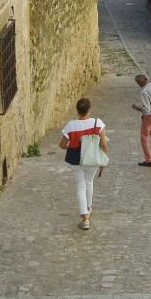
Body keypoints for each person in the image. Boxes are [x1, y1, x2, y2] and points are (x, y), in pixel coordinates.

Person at [59, 97, 108, 229]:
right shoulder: (97, 123)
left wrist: (69, 146)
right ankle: (88, 207)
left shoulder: (71, 125)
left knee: (80, 186)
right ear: (89, 110)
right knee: (89, 182)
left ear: (77, 110)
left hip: (75, 159)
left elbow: (62, 144)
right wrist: (103, 159)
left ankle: (85, 217)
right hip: (92, 159)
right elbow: (103, 144)